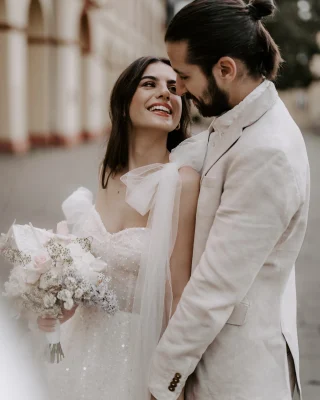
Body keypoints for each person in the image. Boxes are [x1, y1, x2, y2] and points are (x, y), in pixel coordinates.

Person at [149, 1, 310, 400]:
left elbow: (215, 286)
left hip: (237, 376)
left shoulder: (267, 152)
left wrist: (160, 382)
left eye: (184, 76)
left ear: (225, 69)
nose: (179, 89)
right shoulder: (241, 120)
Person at [37, 56, 203, 400]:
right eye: (150, 84)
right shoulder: (108, 171)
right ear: (124, 102)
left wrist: (170, 382)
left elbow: (180, 296)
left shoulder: (183, 183)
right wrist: (56, 299)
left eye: (174, 89)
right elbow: (94, 272)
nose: (165, 94)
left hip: (139, 359)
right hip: (83, 351)